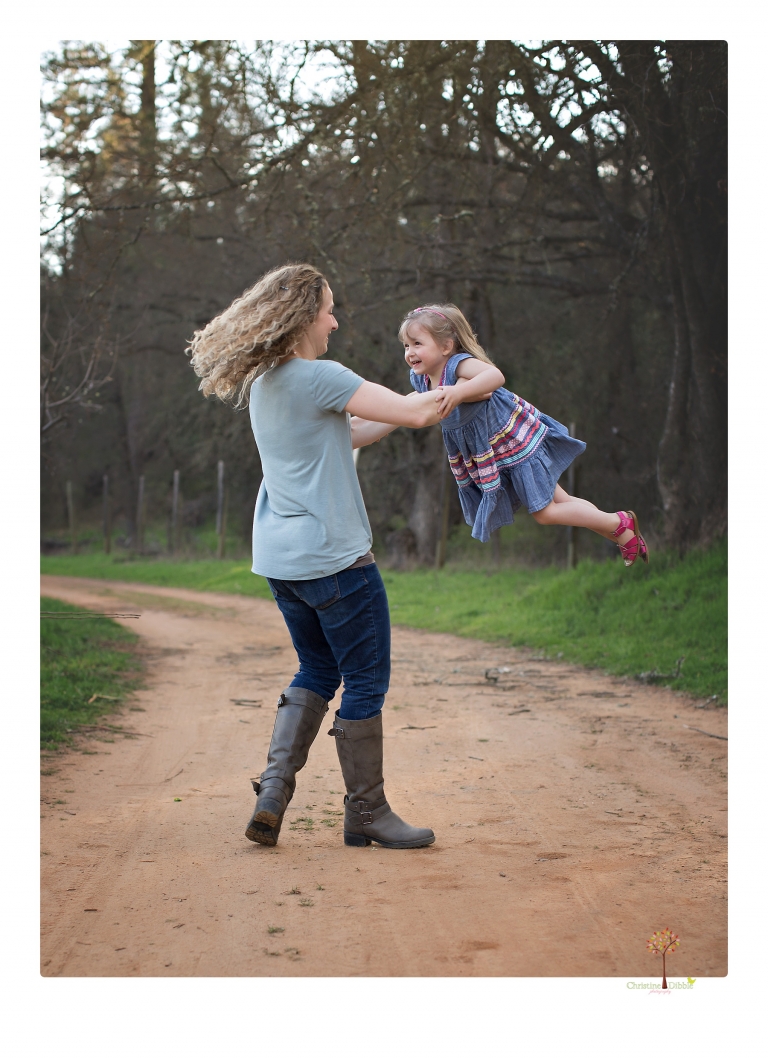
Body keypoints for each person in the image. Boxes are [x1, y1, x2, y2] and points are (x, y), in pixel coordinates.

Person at [187, 263, 441, 850]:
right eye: (329, 309)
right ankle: (366, 812)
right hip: (335, 559)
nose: (335, 319)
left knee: (319, 669)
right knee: (365, 681)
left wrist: (409, 405)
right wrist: (470, 382)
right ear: (304, 317)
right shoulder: (320, 375)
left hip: (283, 562)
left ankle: (272, 794)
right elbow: (423, 413)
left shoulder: (266, 384)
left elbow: (348, 432)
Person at [392, 303, 649, 564]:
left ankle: (620, 522)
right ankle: (622, 534)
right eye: (406, 346)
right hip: (495, 451)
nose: (410, 352)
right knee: (562, 501)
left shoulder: (458, 365)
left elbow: (494, 375)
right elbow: (412, 403)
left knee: (545, 512)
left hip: (514, 442)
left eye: (417, 344)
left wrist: (458, 393)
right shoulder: (422, 380)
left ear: (446, 346)